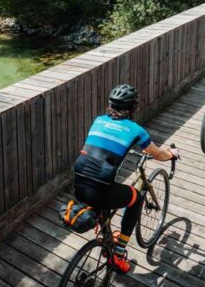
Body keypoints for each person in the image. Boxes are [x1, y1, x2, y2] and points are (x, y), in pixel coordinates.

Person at [72, 84, 179, 274]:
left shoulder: (98, 120)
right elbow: (157, 154)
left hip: (79, 184)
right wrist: (171, 154)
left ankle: (106, 241)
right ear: (133, 107)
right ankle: (119, 254)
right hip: (100, 189)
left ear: (110, 105)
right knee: (136, 198)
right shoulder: (136, 130)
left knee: (102, 192)